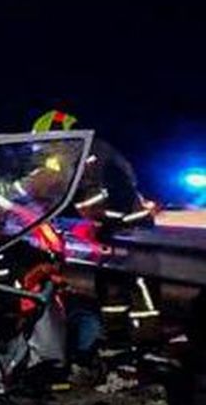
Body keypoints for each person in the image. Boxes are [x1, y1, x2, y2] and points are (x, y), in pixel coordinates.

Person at [33, 110, 160, 345]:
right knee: (110, 286)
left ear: (63, 136)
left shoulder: (94, 154)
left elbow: (119, 192)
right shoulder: (75, 158)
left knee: (139, 287)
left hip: (133, 230)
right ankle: (117, 337)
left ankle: (145, 341)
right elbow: (59, 190)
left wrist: (109, 223)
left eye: (50, 142)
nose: (48, 149)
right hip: (112, 230)